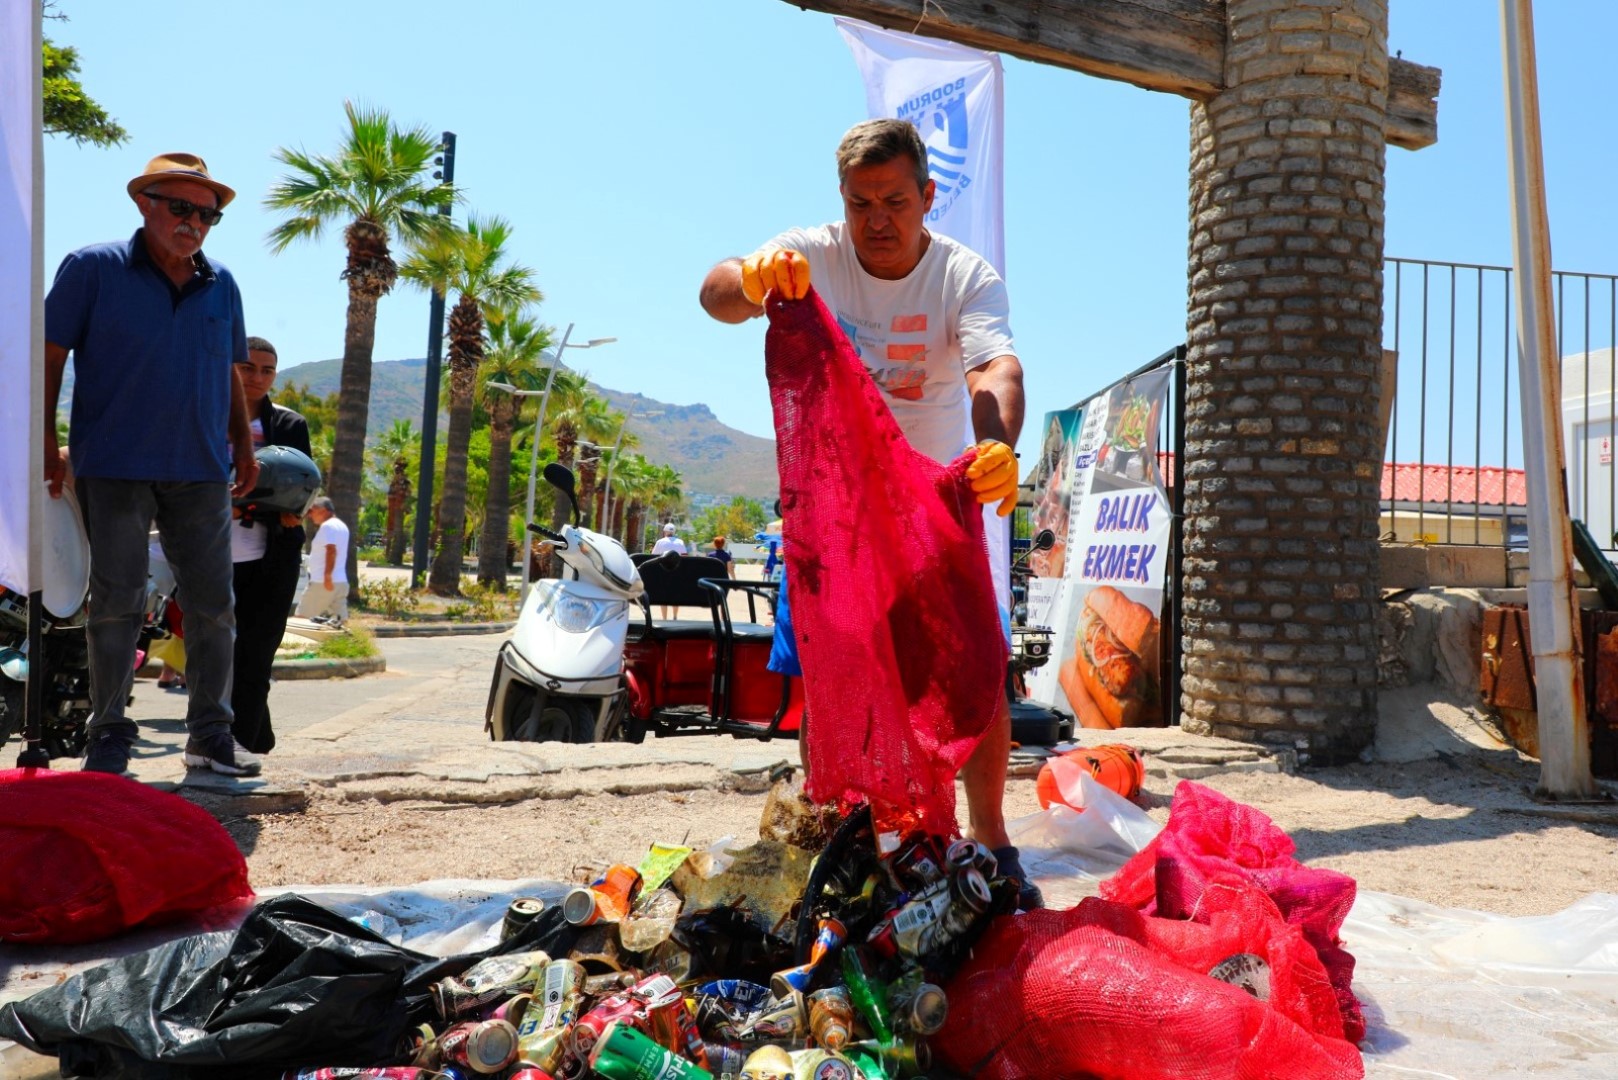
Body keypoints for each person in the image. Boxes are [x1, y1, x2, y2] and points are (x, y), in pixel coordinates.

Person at [699, 118, 1035, 907]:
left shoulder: (964, 276)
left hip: (930, 504)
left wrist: (997, 446)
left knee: (977, 665)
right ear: (841, 201)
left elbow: (996, 368)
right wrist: (752, 279)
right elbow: (715, 293)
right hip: (835, 514)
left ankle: (992, 834)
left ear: (927, 196)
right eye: (860, 204)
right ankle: (843, 827)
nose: (877, 220)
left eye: (894, 202)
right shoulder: (812, 254)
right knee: (833, 675)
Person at [44, 152, 261, 778]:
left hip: (200, 466)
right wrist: (45, 442)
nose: (194, 222)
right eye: (181, 207)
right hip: (113, 460)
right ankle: (108, 734)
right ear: (145, 203)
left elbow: (228, 370)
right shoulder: (92, 268)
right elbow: (50, 356)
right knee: (117, 599)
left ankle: (211, 736)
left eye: (208, 214)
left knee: (214, 604)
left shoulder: (222, 283)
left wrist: (242, 446)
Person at [230, 338, 313, 755]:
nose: (257, 377)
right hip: (210, 553)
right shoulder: (204, 416)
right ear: (231, 368)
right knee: (220, 655)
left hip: (274, 555)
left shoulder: (290, 424)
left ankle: (241, 746)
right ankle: (255, 738)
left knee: (257, 653)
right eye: (248, 367)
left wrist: (290, 509)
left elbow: (302, 485)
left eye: (267, 370)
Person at [297, 498, 350, 625]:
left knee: (301, 618)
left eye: (312, 510)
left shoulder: (328, 526)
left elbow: (331, 550)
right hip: (340, 582)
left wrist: (327, 576)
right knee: (340, 622)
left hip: (323, 582)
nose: (310, 515)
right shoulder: (341, 526)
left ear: (323, 510)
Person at [650, 524, 688, 619]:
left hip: (662, 572)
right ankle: (675, 616)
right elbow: (685, 557)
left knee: (663, 595)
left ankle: (664, 618)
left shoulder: (660, 542)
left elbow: (653, 556)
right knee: (675, 594)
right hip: (676, 571)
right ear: (674, 532)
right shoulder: (680, 542)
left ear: (665, 532)